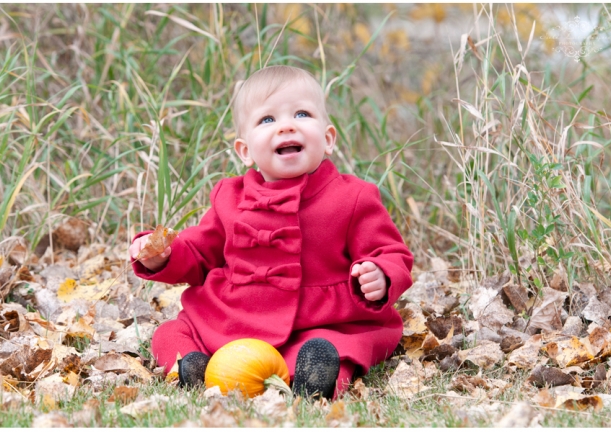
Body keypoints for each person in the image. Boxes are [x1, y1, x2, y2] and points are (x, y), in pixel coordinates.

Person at [129, 65, 414, 399]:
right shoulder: (229, 197)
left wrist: (379, 275)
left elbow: (391, 252)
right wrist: (162, 255)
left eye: (302, 114)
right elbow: (199, 251)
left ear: (328, 138)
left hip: (316, 322)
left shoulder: (352, 197)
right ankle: (194, 367)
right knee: (171, 332)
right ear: (245, 150)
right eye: (267, 120)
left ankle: (317, 378)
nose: (286, 126)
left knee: (340, 346)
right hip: (229, 320)